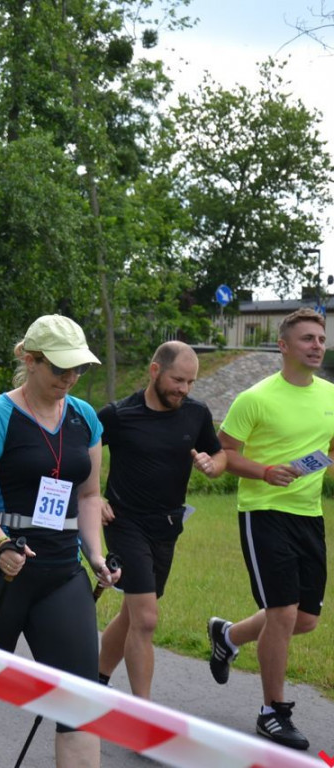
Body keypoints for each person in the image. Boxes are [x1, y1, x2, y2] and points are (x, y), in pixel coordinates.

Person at [0, 314, 118, 768]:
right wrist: (2, 544)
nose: (70, 377)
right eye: (59, 368)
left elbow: (89, 493)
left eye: (77, 368)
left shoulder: (84, 418)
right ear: (30, 360)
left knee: (79, 705)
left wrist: (96, 555)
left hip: (61, 574)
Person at [207, 308, 334, 751]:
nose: (317, 345)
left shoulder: (331, 396)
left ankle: (227, 635)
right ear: (283, 346)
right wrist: (263, 472)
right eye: (307, 339)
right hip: (263, 512)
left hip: (309, 515)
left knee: (306, 619)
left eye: (320, 338)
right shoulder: (255, 398)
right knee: (282, 612)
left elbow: (332, 448)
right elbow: (225, 453)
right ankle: (272, 712)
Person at [96, 341, 226, 699]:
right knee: (147, 619)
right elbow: (78, 455)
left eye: (190, 382)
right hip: (125, 523)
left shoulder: (195, 414)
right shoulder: (119, 415)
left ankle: (96, 679)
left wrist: (213, 466)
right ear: (155, 371)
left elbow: (218, 453)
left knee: (133, 614)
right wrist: (94, 497)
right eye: (178, 379)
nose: (183, 389)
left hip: (167, 525)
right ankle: (144, 716)